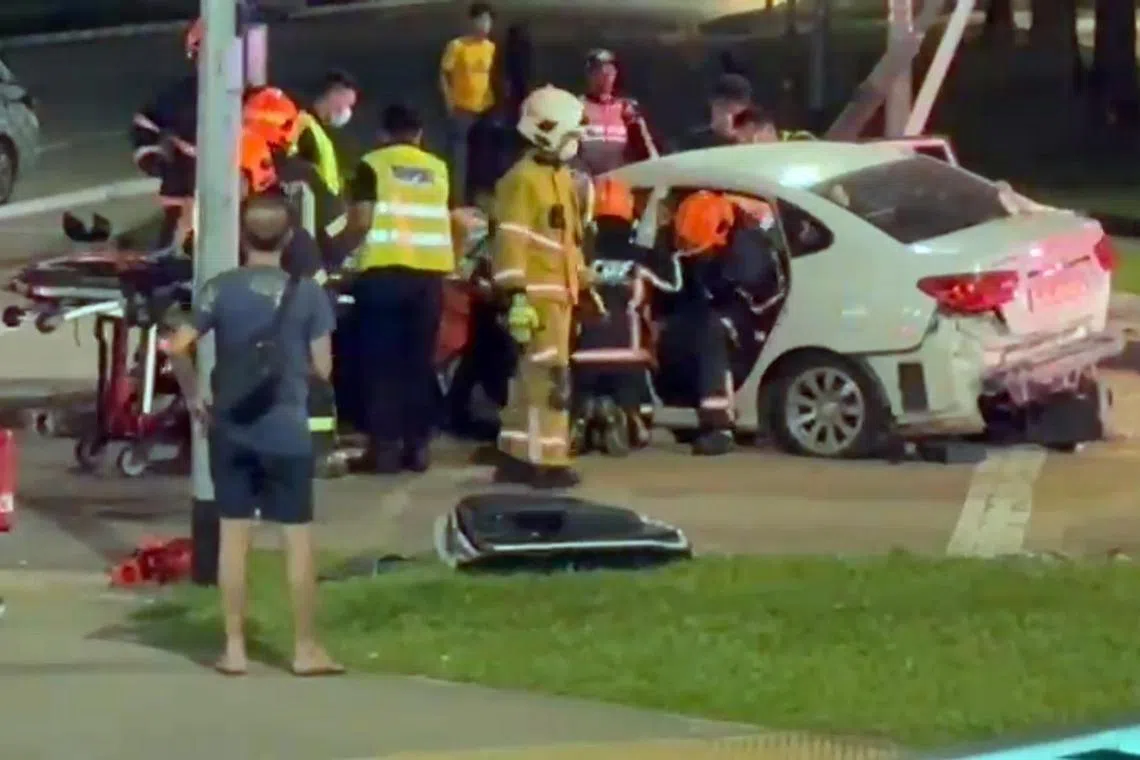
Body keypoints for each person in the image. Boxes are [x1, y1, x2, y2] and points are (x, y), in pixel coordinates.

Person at [161, 193, 343, 678]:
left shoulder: (219, 290)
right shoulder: (307, 294)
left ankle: (235, 649)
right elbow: (323, 368)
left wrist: (196, 393)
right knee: (297, 540)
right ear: (288, 238)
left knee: (233, 536)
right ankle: (305, 649)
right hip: (287, 431)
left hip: (232, 428)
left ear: (242, 237)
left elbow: (176, 346)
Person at [491, 85, 603, 489]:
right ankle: (547, 460)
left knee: (530, 380)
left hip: (559, 297)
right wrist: (515, 295)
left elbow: (567, 243)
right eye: (572, 134)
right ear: (548, 130)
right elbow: (511, 240)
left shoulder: (557, 179)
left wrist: (586, 285)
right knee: (550, 381)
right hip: (537, 298)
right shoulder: (523, 181)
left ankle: (516, 454)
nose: (576, 142)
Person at [342, 104, 455, 473]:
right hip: (429, 277)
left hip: (383, 274)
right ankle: (418, 448)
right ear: (419, 134)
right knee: (419, 364)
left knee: (381, 365)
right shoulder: (438, 169)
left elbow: (361, 219)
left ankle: (385, 450)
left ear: (383, 134)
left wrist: (341, 255)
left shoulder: (372, 164)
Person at [656, 190, 781, 456]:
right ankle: (681, 409)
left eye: (702, 251)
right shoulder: (685, 241)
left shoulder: (749, 253)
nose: (696, 256)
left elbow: (765, 303)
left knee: (713, 328)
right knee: (680, 331)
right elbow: (675, 294)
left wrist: (726, 295)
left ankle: (719, 425)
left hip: (748, 326)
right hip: (700, 318)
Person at [570, 177, 681, 455]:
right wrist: (665, 245)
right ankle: (628, 418)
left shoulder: (580, 256)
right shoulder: (640, 256)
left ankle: (585, 415)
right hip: (628, 355)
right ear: (630, 215)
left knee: (576, 400)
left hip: (584, 354)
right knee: (640, 421)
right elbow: (674, 285)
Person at [243, 86, 358, 274]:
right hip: (298, 281)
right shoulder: (302, 173)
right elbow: (337, 232)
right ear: (289, 127)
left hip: (240, 280)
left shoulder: (223, 170)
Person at [130, 19, 201, 247]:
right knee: (170, 263)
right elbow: (145, 125)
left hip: (233, 206)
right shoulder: (179, 97)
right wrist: (156, 161)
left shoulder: (254, 101)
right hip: (180, 204)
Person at [439, 2, 497, 206]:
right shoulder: (458, 46)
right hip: (462, 110)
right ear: (471, 22)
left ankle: (479, 199)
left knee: (483, 157)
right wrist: (449, 101)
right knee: (459, 158)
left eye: (487, 21)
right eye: (480, 20)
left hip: (486, 109)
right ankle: (457, 201)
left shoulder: (492, 48)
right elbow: (445, 74)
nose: (484, 25)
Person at [578, 49, 655, 175]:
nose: (606, 75)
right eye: (599, 70)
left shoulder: (627, 108)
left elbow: (648, 151)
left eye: (610, 70)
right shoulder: (576, 107)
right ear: (589, 74)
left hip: (619, 184)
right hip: (585, 184)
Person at [293, 69, 359, 197]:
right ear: (333, 94)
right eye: (347, 104)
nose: (347, 112)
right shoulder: (303, 125)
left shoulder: (320, 132)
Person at [673, 73, 753, 152]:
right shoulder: (693, 141)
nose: (728, 118)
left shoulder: (752, 139)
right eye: (723, 108)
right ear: (713, 104)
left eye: (734, 113)